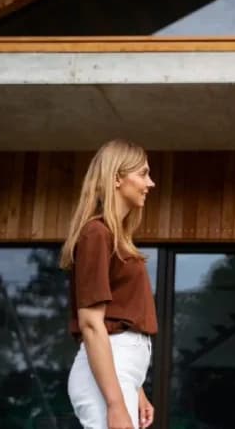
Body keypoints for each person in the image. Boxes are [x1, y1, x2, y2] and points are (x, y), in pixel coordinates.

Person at [62, 139, 159, 429]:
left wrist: (137, 388)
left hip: (120, 372)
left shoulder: (114, 239)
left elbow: (120, 319)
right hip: (104, 375)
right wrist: (116, 405)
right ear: (117, 177)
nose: (150, 183)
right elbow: (92, 324)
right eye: (143, 174)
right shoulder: (96, 233)